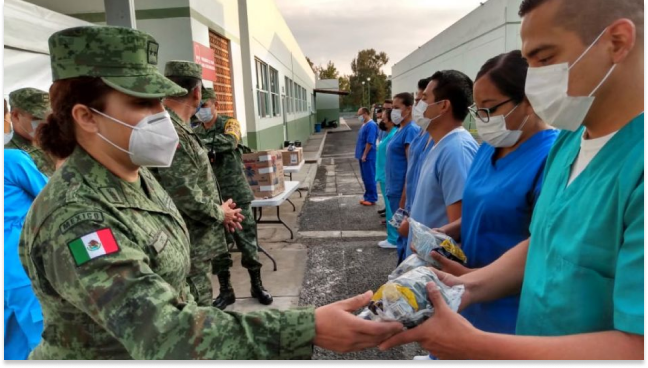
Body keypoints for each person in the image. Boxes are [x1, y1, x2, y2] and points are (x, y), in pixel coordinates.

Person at [20, 25, 402, 360]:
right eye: (142, 102)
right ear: (86, 116)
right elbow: (162, 332)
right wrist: (307, 328)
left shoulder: (134, 174)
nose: (160, 113)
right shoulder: (77, 218)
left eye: (160, 100)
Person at [380, 0, 643, 360]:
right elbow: (542, 243)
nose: (533, 82)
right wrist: (466, 286)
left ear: (617, 42)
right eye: (529, 62)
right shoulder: (570, 142)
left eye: (545, 58)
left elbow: (635, 344)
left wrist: (473, 344)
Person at [430, 51, 558, 337]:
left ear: (528, 100)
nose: (483, 119)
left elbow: (544, 247)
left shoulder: (551, 158)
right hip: (464, 294)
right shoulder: (488, 147)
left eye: (490, 108)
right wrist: (442, 233)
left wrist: (472, 279)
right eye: (478, 109)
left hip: (509, 308)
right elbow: (480, 213)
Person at [148, 61, 243, 307]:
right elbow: (185, 194)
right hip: (186, 243)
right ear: (197, 92)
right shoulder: (173, 131)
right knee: (196, 310)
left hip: (191, 238)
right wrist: (220, 213)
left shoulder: (177, 128)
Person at [194, 87, 274, 309]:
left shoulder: (230, 124)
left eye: (205, 106)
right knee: (219, 248)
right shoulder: (196, 132)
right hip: (214, 200)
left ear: (215, 105)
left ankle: (256, 286)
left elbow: (230, 141)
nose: (201, 111)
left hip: (237, 195)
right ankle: (225, 291)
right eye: (198, 107)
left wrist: (202, 146)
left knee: (248, 243)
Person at [405, 70, 478, 257]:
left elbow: (459, 228)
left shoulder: (456, 151)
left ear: (443, 105)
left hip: (435, 269)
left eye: (424, 98)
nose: (419, 105)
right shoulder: (440, 144)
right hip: (423, 261)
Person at [4, 150, 47, 360]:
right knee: (43, 341)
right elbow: (50, 194)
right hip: (21, 269)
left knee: (13, 346)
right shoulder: (11, 160)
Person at [385, 93, 420, 263]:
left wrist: (403, 201)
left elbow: (411, 168)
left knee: (404, 235)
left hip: (401, 192)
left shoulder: (411, 130)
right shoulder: (400, 128)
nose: (394, 112)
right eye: (392, 108)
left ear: (409, 108)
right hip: (394, 189)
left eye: (397, 108)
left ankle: (403, 269)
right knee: (400, 234)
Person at [6, 88, 56, 176]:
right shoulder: (10, 158)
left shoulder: (59, 145)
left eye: (49, 117)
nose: (45, 122)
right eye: (37, 118)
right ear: (16, 116)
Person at [375, 109, 399, 249]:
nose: (382, 121)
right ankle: (392, 237)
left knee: (391, 209)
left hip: (388, 176)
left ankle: (393, 238)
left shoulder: (395, 134)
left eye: (384, 119)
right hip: (384, 176)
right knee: (390, 208)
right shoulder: (390, 134)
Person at [355, 107, 379, 206]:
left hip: (368, 156)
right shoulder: (364, 124)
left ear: (365, 113)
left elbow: (370, 141)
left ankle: (372, 198)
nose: (359, 117)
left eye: (359, 114)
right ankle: (367, 196)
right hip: (362, 155)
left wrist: (365, 154)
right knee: (365, 177)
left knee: (369, 176)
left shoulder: (371, 125)